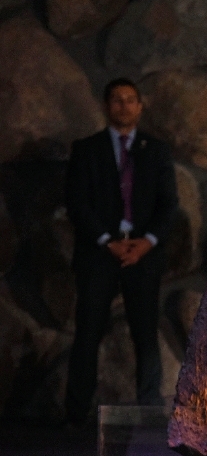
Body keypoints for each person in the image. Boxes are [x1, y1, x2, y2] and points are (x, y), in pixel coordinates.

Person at [64, 77, 177, 427]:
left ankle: (150, 410)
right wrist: (106, 240)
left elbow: (168, 204)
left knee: (146, 332)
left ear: (140, 107)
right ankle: (76, 413)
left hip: (143, 253)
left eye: (130, 100)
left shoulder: (156, 150)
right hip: (99, 253)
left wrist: (147, 242)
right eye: (117, 99)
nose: (124, 106)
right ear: (106, 105)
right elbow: (77, 202)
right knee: (88, 332)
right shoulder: (87, 149)